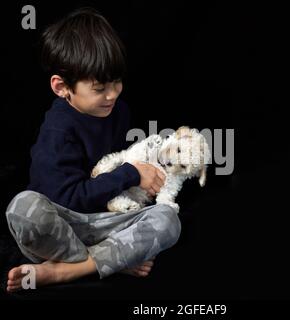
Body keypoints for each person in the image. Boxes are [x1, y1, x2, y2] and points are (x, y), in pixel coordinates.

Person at [5, 7, 181, 293]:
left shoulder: (118, 111)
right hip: (64, 223)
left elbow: (117, 164)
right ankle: (109, 260)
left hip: (104, 221)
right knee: (22, 208)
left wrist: (148, 172)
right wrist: (131, 175)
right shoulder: (58, 131)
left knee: (168, 220)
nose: (112, 94)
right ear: (62, 87)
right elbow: (70, 199)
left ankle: (72, 268)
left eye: (117, 82)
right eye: (99, 88)